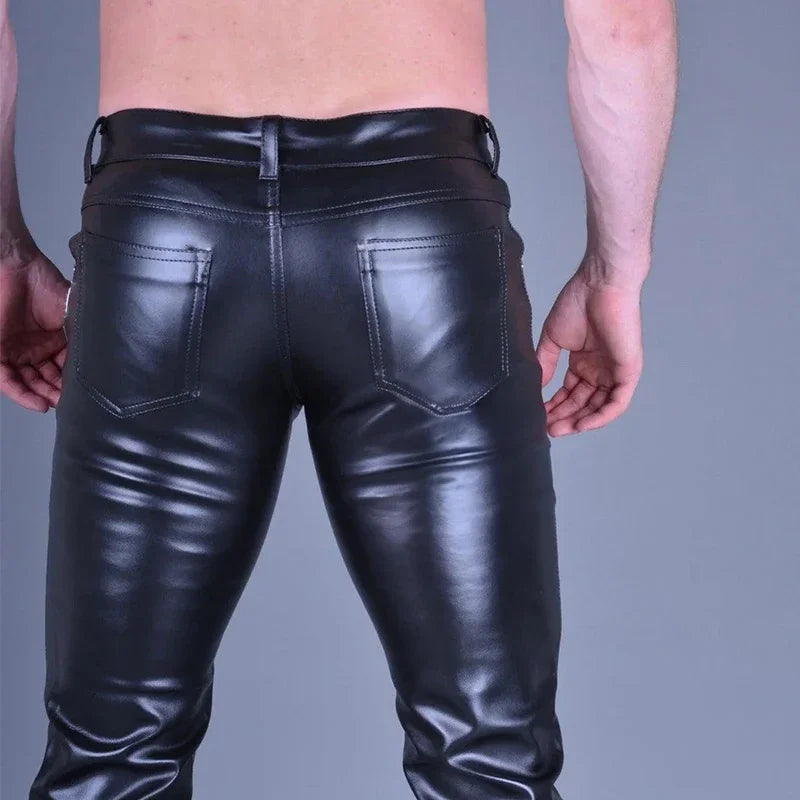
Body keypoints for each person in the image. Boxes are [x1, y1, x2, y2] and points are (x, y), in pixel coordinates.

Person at [0, 1, 678, 798]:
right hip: (416, 237)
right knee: (487, 758)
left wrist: (5, 248)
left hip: (163, 234)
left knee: (109, 761)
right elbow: (624, 20)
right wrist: (613, 269)